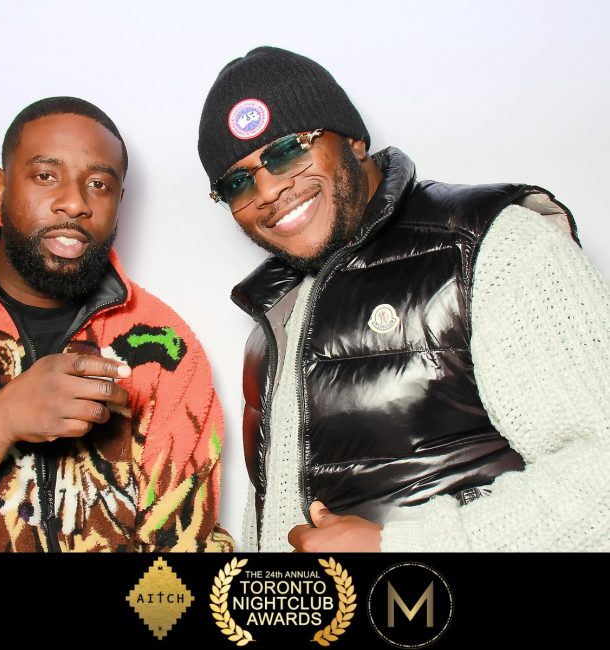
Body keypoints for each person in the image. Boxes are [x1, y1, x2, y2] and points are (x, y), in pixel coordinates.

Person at [197, 46, 610, 552]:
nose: (266, 191)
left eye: (286, 152)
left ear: (353, 140)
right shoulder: (276, 318)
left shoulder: (490, 245)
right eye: (237, 182)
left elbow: (602, 481)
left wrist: (395, 547)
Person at [0, 96, 233, 552]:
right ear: (1, 188)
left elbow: (182, 550)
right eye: (46, 176)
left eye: (99, 184)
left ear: (119, 201)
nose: (74, 203)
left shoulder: (164, 347)